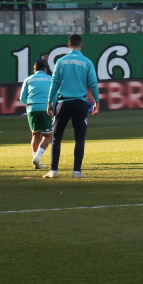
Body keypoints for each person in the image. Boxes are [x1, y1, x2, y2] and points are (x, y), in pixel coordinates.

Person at [43, 34, 101, 178]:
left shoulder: (61, 61)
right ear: (81, 45)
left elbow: (54, 82)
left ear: (68, 45)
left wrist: (50, 102)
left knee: (56, 137)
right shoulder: (87, 62)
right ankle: (77, 171)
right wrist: (97, 102)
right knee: (79, 137)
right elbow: (93, 83)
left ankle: (54, 170)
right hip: (80, 103)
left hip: (63, 103)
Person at [19, 60, 54, 169]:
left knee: (35, 134)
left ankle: (36, 158)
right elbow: (55, 94)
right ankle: (37, 158)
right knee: (47, 136)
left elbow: (22, 98)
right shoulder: (50, 79)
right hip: (45, 108)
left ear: (34, 70)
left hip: (32, 108)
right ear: (45, 69)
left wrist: (31, 104)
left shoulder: (28, 79)